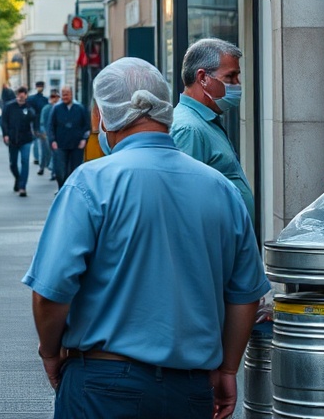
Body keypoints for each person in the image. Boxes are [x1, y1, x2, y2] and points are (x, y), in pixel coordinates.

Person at [24, 58, 269, 419]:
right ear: (165, 109)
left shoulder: (90, 183)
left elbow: (50, 292)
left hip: (101, 386)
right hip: (189, 389)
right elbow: (245, 295)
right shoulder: (221, 188)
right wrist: (228, 368)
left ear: (104, 116)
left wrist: (49, 352)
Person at [171, 38, 255, 224]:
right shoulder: (189, 129)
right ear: (203, 78)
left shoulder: (205, 121)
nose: (237, 84)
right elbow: (185, 206)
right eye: (230, 77)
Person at [46, 86, 89, 187]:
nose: (65, 97)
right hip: (60, 144)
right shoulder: (56, 108)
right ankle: (61, 189)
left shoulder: (80, 108)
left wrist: (84, 139)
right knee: (60, 171)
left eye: (67, 94)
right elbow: (50, 126)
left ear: (71, 94)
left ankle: (71, 191)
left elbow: (87, 126)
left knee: (74, 170)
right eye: (63, 94)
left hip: (76, 145)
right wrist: (52, 140)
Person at [0, 86, 37, 196]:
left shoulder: (29, 107)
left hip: (26, 139)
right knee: (13, 163)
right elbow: (4, 121)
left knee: (25, 162)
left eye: (23, 95)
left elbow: (33, 118)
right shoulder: (9, 106)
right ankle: (18, 178)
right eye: (19, 95)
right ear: (17, 95)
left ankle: (22, 187)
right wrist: (5, 134)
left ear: (26, 96)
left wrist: (28, 108)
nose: (21, 97)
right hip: (13, 139)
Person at [27, 81, 49, 172]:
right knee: (40, 143)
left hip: (36, 122)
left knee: (37, 142)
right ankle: (40, 160)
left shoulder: (31, 99)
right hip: (40, 122)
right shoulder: (44, 99)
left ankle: (37, 158)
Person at [37, 90, 60, 176]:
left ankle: (51, 170)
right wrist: (43, 132)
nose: (55, 99)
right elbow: (42, 122)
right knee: (45, 152)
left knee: (52, 152)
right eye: (53, 97)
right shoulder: (47, 108)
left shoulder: (58, 108)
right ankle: (43, 167)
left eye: (56, 97)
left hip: (53, 133)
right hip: (47, 133)